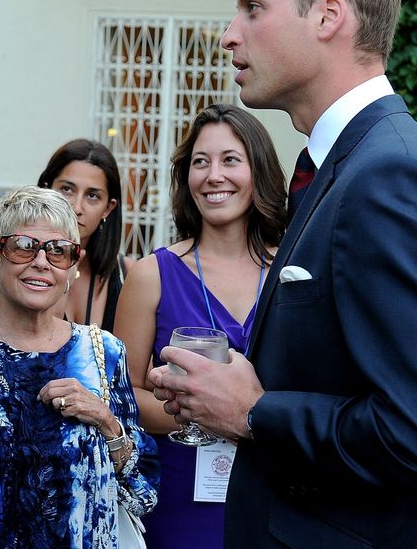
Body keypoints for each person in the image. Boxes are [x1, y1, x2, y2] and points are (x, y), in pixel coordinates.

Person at [149, 0, 417, 548]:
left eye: (253, 8)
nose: (229, 35)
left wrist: (253, 412)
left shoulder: (393, 175)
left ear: (329, 15)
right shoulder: (347, 166)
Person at [0, 186, 158, 547]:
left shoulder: (104, 353)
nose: (41, 261)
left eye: (58, 251)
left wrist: (106, 422)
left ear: (73, 266)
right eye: (23, 246)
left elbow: (142, 495)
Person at [115, 103, 285, 549]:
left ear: (258, 170)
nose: (213, 176)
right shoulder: (151, 275)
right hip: (180, 497)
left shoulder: (291, 274)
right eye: (200, 162)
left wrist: (248, 416)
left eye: (231, 159)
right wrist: (201, 413)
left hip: (276, 489)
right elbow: (121, 394)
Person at [0, 139, 134, 330]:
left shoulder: (128, 275)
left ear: (108, 208)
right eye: (67, 189)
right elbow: (13, 348)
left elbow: (131, 359)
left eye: (92, 195)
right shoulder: (11, 269)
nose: (77, 207)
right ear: (46, 189)